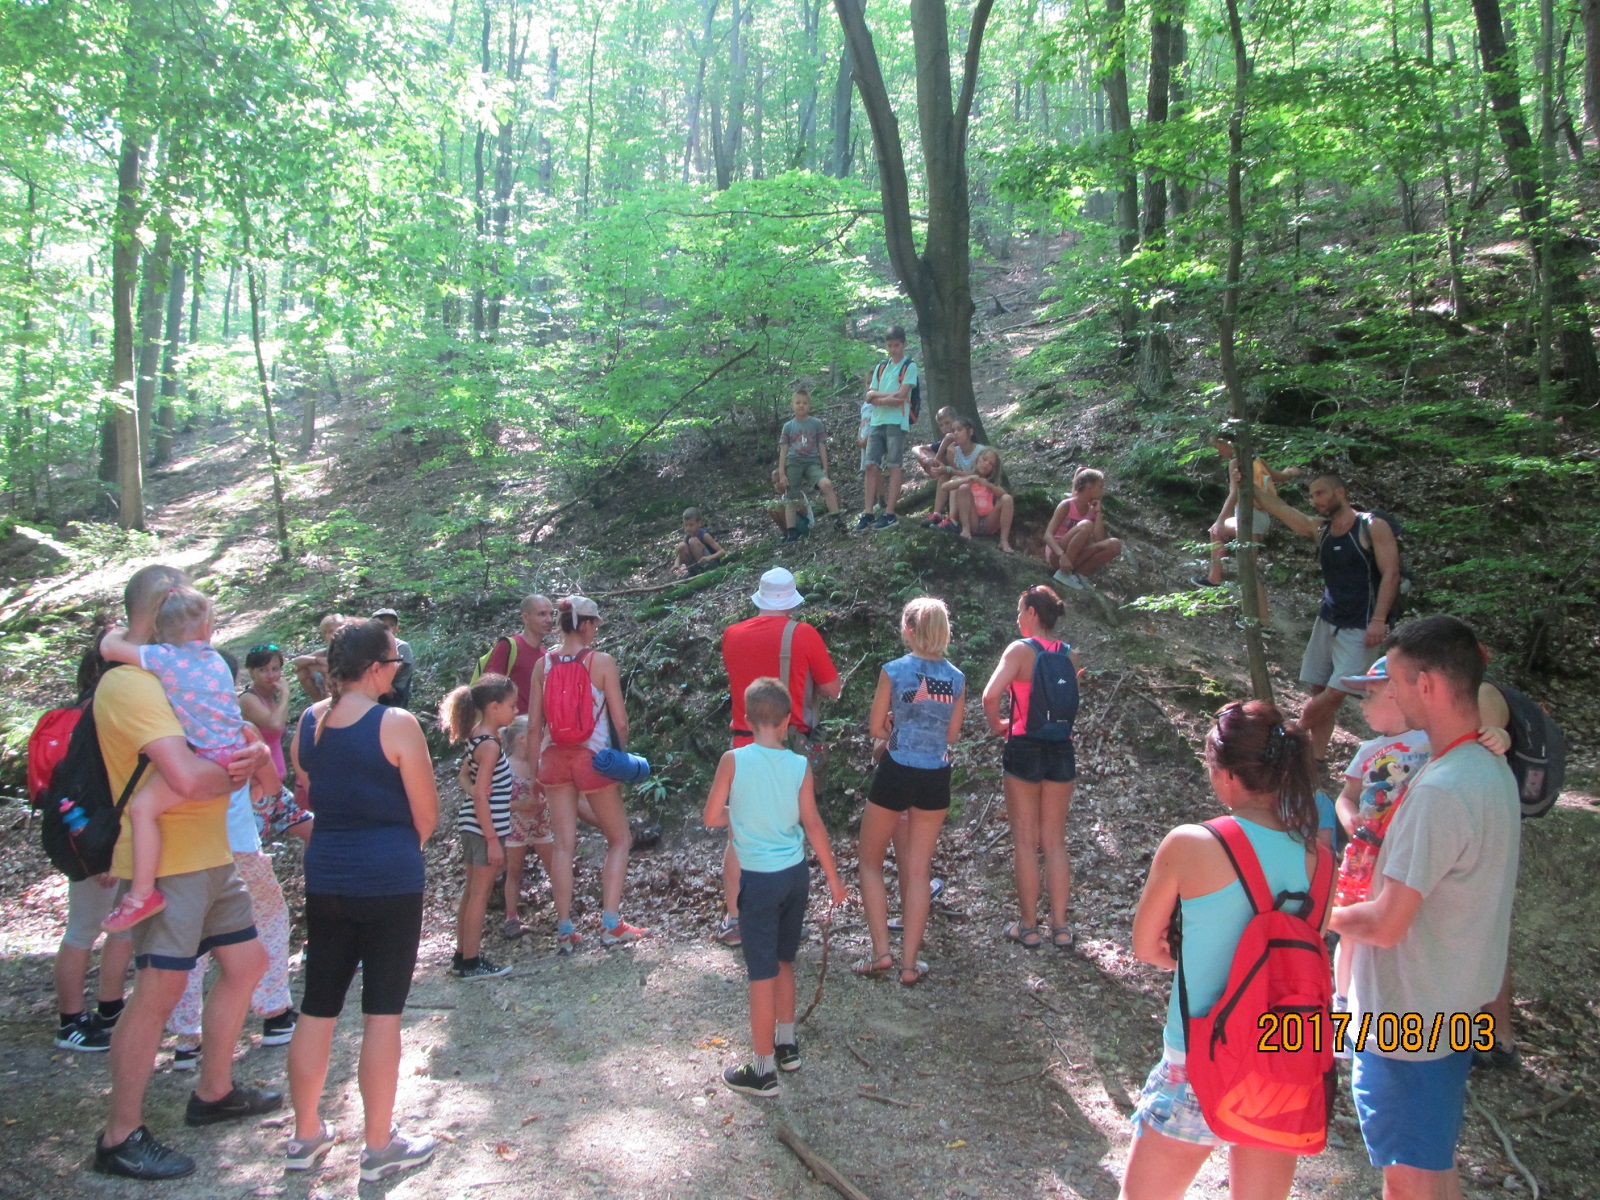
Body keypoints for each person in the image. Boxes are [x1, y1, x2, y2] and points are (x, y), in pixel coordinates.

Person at [93, 564, 278, 1181]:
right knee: (161, 991)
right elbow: (189, 775)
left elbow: (229, 745)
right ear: (158, 609)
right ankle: (119, 1134)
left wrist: (247, 756)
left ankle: (214, 1092)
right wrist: (244, 761)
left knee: (248, 963)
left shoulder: (173, 667)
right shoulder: (130, 683)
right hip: (168, 862)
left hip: (210, 853)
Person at [1329, 616, 1520, 1199]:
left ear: (1430, 685)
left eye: (1400, 679)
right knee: (1427, 1167)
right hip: (1447, 1008)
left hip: (1408, 1021)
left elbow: (1386, 924)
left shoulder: (1441, 790)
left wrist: (1315, 915)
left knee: (1411, 1179)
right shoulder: (1487, 770)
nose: (1392, 690)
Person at [1121, 701, 1326, 1200]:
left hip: (1201, 1055)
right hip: (1283, 1053)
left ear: (1229, 776)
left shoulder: (1193, 844)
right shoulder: (1321, 858)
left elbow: (1146, 946)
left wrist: (1190, 959)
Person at [287, 619, 440, 1181]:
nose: (399, 672)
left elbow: (309, 784)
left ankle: (304, 1136)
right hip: (390, 881)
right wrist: (396, 845)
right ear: (374, 668)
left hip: (326, 875)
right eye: (395, 662)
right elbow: (426, 815)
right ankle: (379, 1147)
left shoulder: (310, 721)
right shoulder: (396, 724)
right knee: (382, 1014)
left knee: (318, 1006)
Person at [1328, 656, 1511, 1016]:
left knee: (1396, 917)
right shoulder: (1367, 750)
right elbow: (1346, 796)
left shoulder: (1430, 740)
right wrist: (1354, 823)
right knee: (1351, 928)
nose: (1362, 706)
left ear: (1398, 695)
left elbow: (1484, 711)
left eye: (1370, 695)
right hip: (1366, 855)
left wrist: (1500, 734)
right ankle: (1345, 1004)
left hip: (1412, 849)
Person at [97, 589, 280, 932]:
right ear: (209, 628)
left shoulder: (164, 658)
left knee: (141, 810)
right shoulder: (217, 662)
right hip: (233, 748)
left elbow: (109, 647)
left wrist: (124, 629)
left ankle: (141, 894)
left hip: (205, 756)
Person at [703, 677, 847, 1096]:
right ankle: (788, 1045)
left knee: (760, 974)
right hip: (795, 876)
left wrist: (743, 811)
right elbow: (813, 824)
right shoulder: (799, 766)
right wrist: (835, 883)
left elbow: (712, 817)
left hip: (759, 881)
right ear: (786, 722)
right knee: (785, 961)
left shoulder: (734, 760)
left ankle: (762, 1070)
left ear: (747, 720)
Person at [717, 568, 842, 947]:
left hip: (743, 744)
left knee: (739, 832)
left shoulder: (731, 635)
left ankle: (735, 918)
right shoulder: (802, 634)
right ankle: (783, 914)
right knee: (790, 829)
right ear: (791, 601)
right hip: (788, 747)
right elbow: (833, 688)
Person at [1245, 473, 1401, 762]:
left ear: (1340, 492)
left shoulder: (1371, 527)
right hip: (1328, 619)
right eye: (1312, 496)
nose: (1315, 501)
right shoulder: (1322, 530)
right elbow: (1282, 510)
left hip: (1361, 625)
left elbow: (1391, 573)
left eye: (1321, 493)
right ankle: (1315, 758)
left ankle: (1292, 732)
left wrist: (1379, 620)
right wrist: (1248, 485)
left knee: (1334, 693)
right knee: (1319, 690)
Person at [854, 598, 964, 987]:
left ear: (909, 630)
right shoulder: (955, 678)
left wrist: (893, 724)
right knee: (918, 872)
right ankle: (910, 965)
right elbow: (951, 735)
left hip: (897, 769)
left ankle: (882, 951)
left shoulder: (894, 671)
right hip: (936, 775)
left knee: (869, 861)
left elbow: (876, 731)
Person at [527, 596, 646, 953]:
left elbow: (534, 726)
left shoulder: (542, 664)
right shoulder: (602, 662)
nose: (596, 629)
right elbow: (620, 720)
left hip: (553, 760)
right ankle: (610, 923)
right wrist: (622, 759)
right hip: (592, 761)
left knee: (563, 844)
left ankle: (565, 929)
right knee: (620, 838)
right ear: (585, 624)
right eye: (595, 622)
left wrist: (535, 773)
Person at [981, 585, 1081, 949]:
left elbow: (990, 694)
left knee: (1025, 840)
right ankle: (1060, 926)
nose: (1017, 618)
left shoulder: (1019, 651)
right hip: (1061, 748)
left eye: (1021, 611)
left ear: (1034, 614)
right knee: (1054, 840)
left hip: (1023, 744)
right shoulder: (1069, 655)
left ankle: (1029, 926)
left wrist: (997, 725)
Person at [439, 674, 518, 980]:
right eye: (511, 705)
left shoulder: (478, 736)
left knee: (472, 891)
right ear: (494, 707)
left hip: (472, 823)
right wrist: (493, 840)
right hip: (484, 828)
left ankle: (462, 956)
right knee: (479, 894)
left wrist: (476, 793)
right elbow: (483, 796)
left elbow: (465, 778)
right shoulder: (489, 745)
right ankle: (471, 961)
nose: (515, 711)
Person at [1191, 439, 1304, 619]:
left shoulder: (1236, 462)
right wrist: (1291, 472)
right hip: (1261, 519)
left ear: (1227, 442)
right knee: (1225, 543)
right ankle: (1214, 580)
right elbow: (1280, 477)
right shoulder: (1257, 460)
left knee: (1248, 571)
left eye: (1217, 446)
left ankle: (1262, 622)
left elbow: (1234, 494)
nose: (1217, 451)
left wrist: (1220, 520)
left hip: (1248, 519)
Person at [855, 325, 918, 530]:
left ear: (904, 344)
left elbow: (901, 397)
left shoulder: (909, 367)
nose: (893, 350)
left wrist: (879, 398)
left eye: (897, 345)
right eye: (890, 346)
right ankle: (868, 513)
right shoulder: (881, 367)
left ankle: (890, 513)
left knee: (894, 465)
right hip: (877, 422)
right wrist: (886, 398)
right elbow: (868, 395)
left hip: (896, 422)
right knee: (871, 465)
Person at [500, 715, 553, 939]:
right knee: (514, 871)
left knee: (554, 866)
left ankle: (565, 911)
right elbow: (497, 801)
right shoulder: (504, 766)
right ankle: (511, 918)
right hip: (515, 825)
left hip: (540, 822)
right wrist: (521, 805)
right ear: (523, 739)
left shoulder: (538, 762)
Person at [777, 386, 844, 540]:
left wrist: (825, 468)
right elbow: (783, 450)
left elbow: (821, 446)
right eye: (798, 402)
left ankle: (836, 519)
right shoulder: (788, 426)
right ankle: (791, 531)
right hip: (794, 462)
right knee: (791, 496)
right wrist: (782, 473)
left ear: (809, 406)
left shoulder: (816, 423)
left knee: (826, 484)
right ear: (792, 405)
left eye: (805, 403)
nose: (801, 405)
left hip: (811, 462)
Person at [1043, 467, 1122, 590]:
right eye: (1100, 487)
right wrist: (1062, 555)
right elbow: (1048, 535)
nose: (1103, 491)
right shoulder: (1067, 505)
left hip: (1076, 557)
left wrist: (1098, 512)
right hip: (1058, 555)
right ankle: (1064, 573)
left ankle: (1077, 575)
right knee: (1086, 525)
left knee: (1114, 545)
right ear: (1089, 486)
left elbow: (1099, 539)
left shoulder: (1092, 510)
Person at [482, 592, 555, 715]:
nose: (549, 620)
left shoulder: (546, 656)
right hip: (508, 729)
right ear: (526, 618)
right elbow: (488, 689)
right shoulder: (508, 647)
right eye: (542, 614)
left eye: (551, 614)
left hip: (534, 729)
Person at [238, 644, 291, 784]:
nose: (271, 675)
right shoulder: (248, 699)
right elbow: (275, 724)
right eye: (263, 670)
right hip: (259, 783)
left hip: (277, 778)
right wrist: (286, 694)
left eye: (275, 669)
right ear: (251, 672)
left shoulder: (271, 695)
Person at [951, 447, 1016, 552]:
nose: (986, 464)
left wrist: (989, 486)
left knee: (1007, 498)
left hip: (988, 522)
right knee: (964, 488)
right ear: (978, 459)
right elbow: (946, 486)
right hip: (972, 520)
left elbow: (1006, 496)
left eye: (991, 464)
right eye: (984, 459)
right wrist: (967, 480)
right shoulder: (967, 477)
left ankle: (1003, 541)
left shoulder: (992, 483)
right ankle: (965, 530)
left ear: (993, 469)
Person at [291, 614, 346, 703]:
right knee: (302, 670)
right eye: (328, 632)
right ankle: (318, 702)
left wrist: (325, 668)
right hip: (327, 688)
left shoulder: (351, 649)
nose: (332, 634)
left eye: (334, 630)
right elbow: (296, 662)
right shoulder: (324, 652)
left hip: (347, 686)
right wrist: (319, 661)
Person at [371, 609, 413, 708]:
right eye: (382, 625)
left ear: (396, 628)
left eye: (391, 625)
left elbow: (395, 669)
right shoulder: (370, 647)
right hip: (374, 691)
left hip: (395, 693)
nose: (387, 628)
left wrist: (386, 685)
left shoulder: (401, 646)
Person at [676, 507, 727, 573]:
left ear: (699, 523)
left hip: (710, 564)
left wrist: (709, 558)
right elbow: (679, 556)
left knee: (693, 541)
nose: (688, 528)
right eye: (686, 525)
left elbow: (722, 552)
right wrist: (676, 564)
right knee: (681, 546)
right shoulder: (687, 537)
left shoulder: (704, 535)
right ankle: (692, 571)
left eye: (691, 525)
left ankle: (704, 569)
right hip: (695, 565)